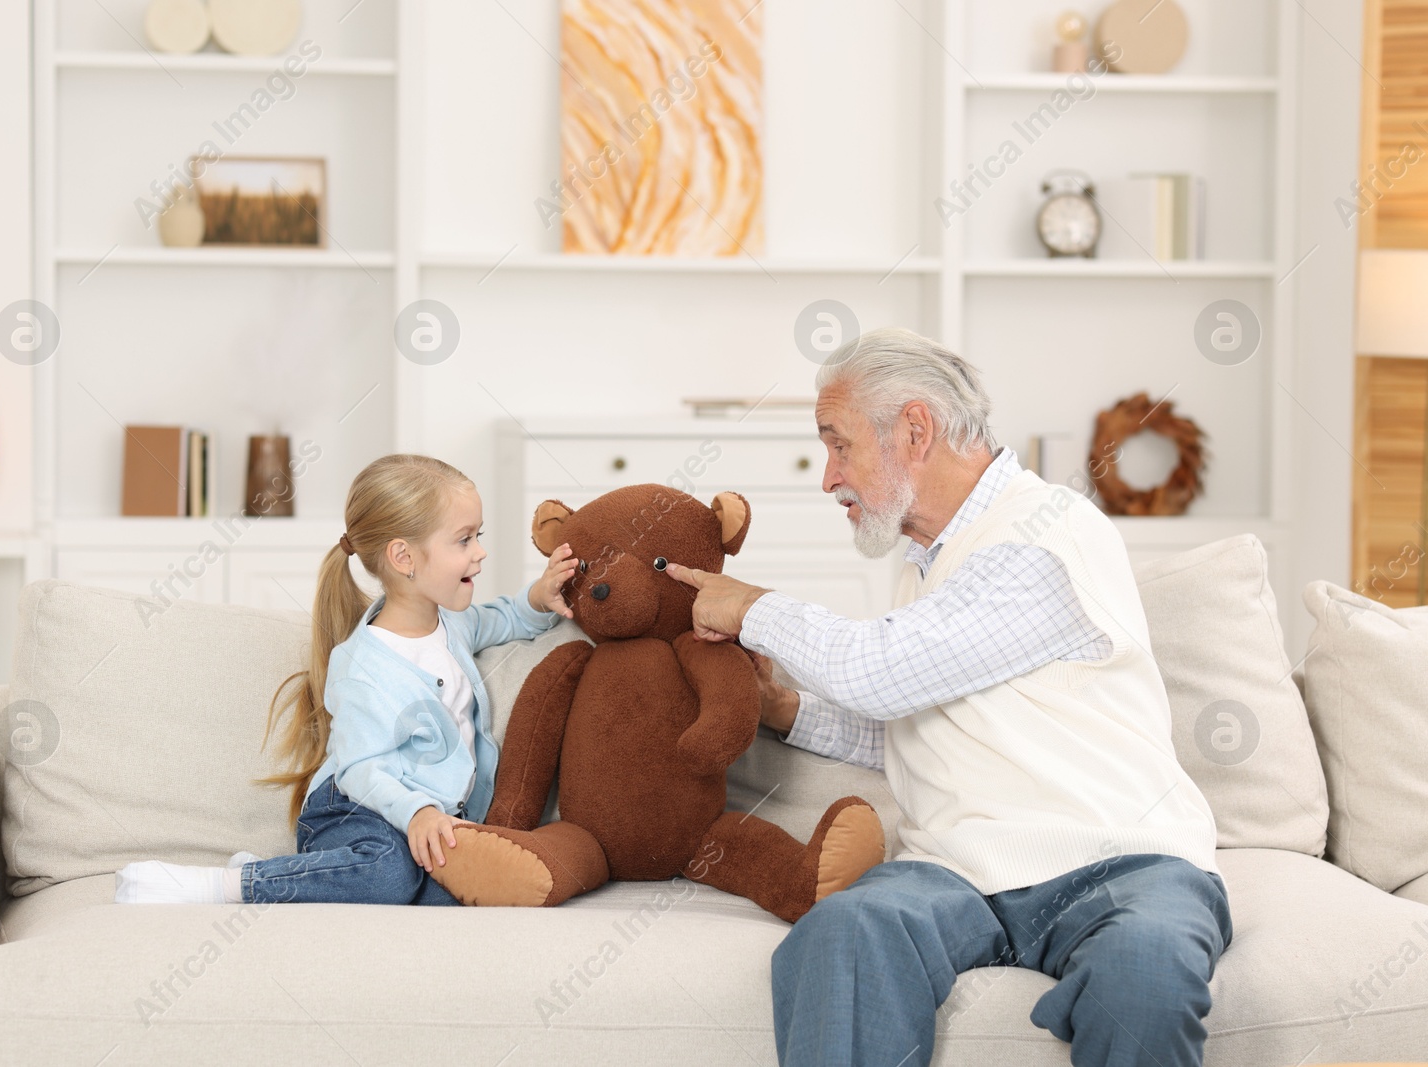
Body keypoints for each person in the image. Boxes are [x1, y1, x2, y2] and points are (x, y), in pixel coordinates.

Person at [667, 328, 1233, 1067]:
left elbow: (879, 672)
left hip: (1123, 862)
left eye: (838, 445)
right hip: (957, 872)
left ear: (914, 429)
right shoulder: (928, 561)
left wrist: (753, 605)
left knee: (1143, 973)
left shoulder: (1044, 534)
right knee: (843, 935)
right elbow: (927, 728)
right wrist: (787, 710)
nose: (828, 476)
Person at [115, 453, 577, 907]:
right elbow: (361, 770)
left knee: (453, 895)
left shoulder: (455, 625)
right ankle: (237, 884)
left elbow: (508, 619)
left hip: (422, 818)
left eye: (477, 536)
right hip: (355, 809)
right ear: (404, 556)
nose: (480, 552)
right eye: (463, 540)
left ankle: (317, 878)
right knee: (387, 874)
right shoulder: (363, 667)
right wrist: (416, 812)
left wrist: (540, 595)